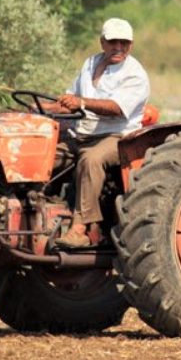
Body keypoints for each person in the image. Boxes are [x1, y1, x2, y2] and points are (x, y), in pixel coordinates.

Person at [48, 18, 150, 249]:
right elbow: (68, 100)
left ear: (131, 45)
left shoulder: (135, 74)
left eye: (124, 43)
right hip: (81, 134)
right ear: (102, 42)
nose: (118, 48)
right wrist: (38, 110)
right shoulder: (90, 63)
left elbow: (116, 108)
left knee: (91, 159)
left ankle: (80, 228)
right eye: (113, 42)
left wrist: (81, 102)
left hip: (118, 137)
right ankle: (35, 211)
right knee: (44, 154)